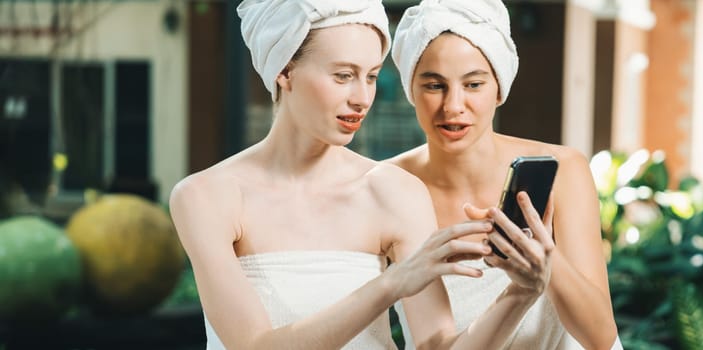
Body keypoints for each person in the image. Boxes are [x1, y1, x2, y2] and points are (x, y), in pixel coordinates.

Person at [168, 1, 551, 349]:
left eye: (370, 76)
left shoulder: (393, 191)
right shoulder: (207, 197)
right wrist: (389, 285)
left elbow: (439, 347)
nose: (362, 98)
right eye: (343, 76)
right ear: (285, 70)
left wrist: (520, 293)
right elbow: (253, 346)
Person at [387, 0, 622, 349]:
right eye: (434, 85)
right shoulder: (387, 187)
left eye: (473, 84)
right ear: (411, 90)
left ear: (499, 88)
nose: (453, 106)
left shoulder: (564, 169)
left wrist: (544, 256)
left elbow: (601, 337)